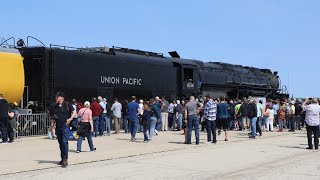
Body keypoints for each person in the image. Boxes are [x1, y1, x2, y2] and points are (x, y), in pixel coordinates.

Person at [49, 92, 76, 168]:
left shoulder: (67, 104)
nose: (56, 98)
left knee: (64, 142)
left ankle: (65, 159)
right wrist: (52, 126)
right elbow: (52, 117)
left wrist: (70, 119)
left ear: (62, 98)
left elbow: (74, 112)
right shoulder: (54, 106)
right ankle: (62, 158)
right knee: (61, 143)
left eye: (57, 97)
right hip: (58, 127)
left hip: (65, 126)